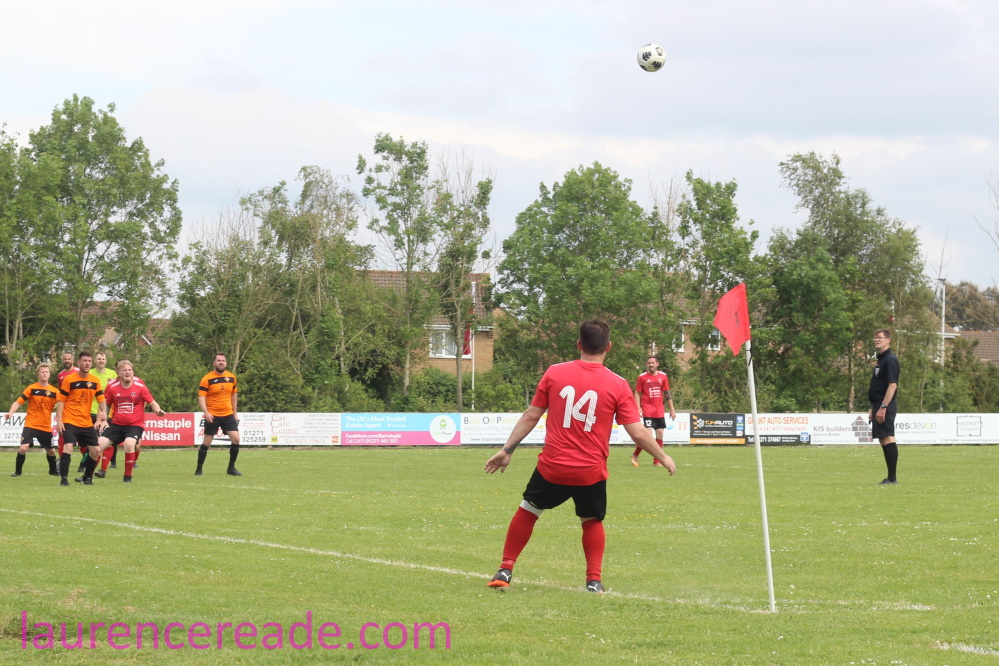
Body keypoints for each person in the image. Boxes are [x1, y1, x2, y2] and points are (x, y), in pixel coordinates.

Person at [484, 319, 676, 593]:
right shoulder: (618, 384)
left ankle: (505, 568)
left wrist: (506, 451)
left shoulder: (554, 373)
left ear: (578, 344)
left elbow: (530, 416)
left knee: (529, 510)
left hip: (553, 466)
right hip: (590, 471)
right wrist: (663, 456)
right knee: (591, 520)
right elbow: (638, 432)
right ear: (608, 347)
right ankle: (593, 581)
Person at [93, 360, 164, 483]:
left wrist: (158, 410)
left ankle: (127, 477)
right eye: (124, 370)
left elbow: (152, 402)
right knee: (97, 446)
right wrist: (103, 419)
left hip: (134, 425)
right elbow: (106, 404)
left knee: (130, 444)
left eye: (129, 370)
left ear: (133, 372)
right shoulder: (112, 387)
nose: (127, 372)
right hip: (116, 424)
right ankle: (88, 476)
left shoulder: (140, 386)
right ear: (118, 373)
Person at [55, 351, 107, 486]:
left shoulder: (95, 380)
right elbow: (61, 401)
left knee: (95, 450)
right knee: (68, 446)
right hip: (69, 420)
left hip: (86, 421)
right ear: (79, 362)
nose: (87, 363)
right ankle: (64, 479)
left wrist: (103, 416)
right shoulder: (69, 379)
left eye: (89, 361)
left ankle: (87, 478)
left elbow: (101, 400)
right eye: (84, 361)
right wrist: (59, 421)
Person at [5, 363, 60, 477]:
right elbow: (18, 402)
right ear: (38, 374)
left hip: (45, 426)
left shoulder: (55, 391)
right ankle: (18, 472)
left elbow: (63, 405)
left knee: (51, 451)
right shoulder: (32, 388)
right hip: (31, 424)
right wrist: (11, 412)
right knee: (23, 448)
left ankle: (53, 471)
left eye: (46, 372)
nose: (44, 374)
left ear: (49, 374)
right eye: (42, 372)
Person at [196, 353, 242, 476]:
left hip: (228, 414)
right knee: (207, 442)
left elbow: (234, 394)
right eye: (218, 360)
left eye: (223, 360)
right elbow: (201, 397)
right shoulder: (207, 378)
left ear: (226, 363)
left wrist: (234, 412)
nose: (221, 362)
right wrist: (206, 413)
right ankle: (199, 469)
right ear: (214, 363)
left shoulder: (231, 377)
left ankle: (231, 468)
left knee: (236, 439)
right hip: (213, 415)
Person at [631, 355, 677, 466]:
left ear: (657, 364)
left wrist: (672, 409)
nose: (651, 364)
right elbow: (637, 392)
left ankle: (656, 461)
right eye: (649, 363)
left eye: (653, 363)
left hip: (659, 409)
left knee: (660, 434)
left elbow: (667, 393)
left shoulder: (663, 376)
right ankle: (635, 454)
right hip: (647, 408)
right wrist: (638, 407)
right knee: (648, 433)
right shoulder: (642, 377)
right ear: (647, 364)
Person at [869, 328, 900, 485]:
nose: (876, 340)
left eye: (880, 337)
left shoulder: (890, 359)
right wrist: (873, 408)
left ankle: (892, 479)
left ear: (888, 340)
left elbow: (892, 385)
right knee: (883, 438)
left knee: (887, 437)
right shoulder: (881, 360)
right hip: (878, 404)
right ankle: (890, 478)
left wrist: (883, 407)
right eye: (875, 337)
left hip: (885, 404)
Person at [90, 351, 118, 466]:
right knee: (91, 440)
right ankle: (89, 463)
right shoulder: (90, 373)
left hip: (107, 412)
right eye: (99, 359)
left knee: (109, 439)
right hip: (90, 411)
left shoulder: (112, 374)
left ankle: (112, 463)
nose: (101, 361)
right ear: (95, 361)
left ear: (105, 361)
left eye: (103, 359)